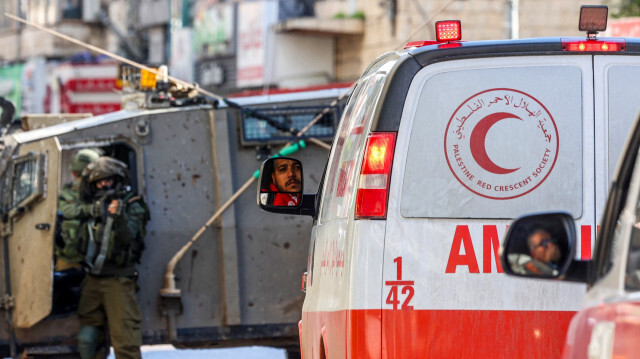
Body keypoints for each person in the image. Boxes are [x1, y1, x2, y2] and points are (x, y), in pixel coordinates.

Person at [76, 156, 150, 359]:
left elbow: (131, 239)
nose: (104, 184)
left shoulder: (133, 204)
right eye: (99, 181)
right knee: (88, 339)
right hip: (93, 279)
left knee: (125, 343)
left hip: (118, 281)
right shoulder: (93, 206)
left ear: (117, 179)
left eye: (108, 179)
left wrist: (119, 217)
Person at [56, 148, 102, 271]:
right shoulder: (67, 192)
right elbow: (65, 210)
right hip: (71, 257)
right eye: (78, 174)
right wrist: (89, 210)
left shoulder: (103, 190)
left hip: (99, 260)